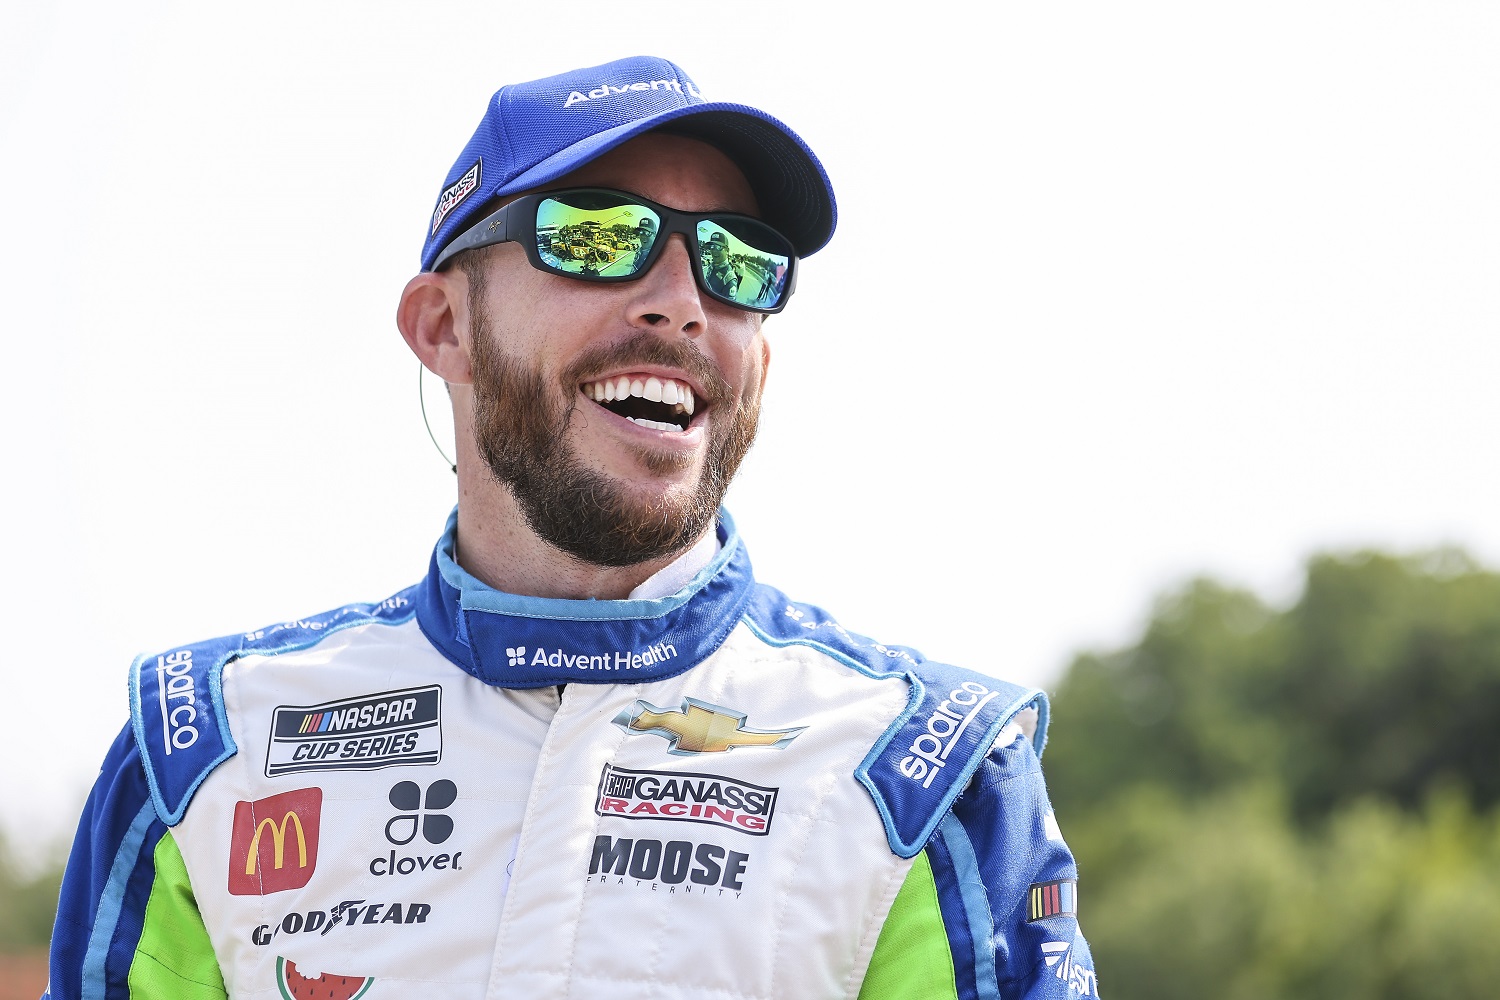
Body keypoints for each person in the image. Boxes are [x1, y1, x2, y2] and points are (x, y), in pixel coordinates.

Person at [45, 56, 1098, 1000]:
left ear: (762, 359)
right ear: (444, 326)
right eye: (598, 236)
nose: (683, 302)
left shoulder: (927, 770)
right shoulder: (204, 752)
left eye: (737, 264)